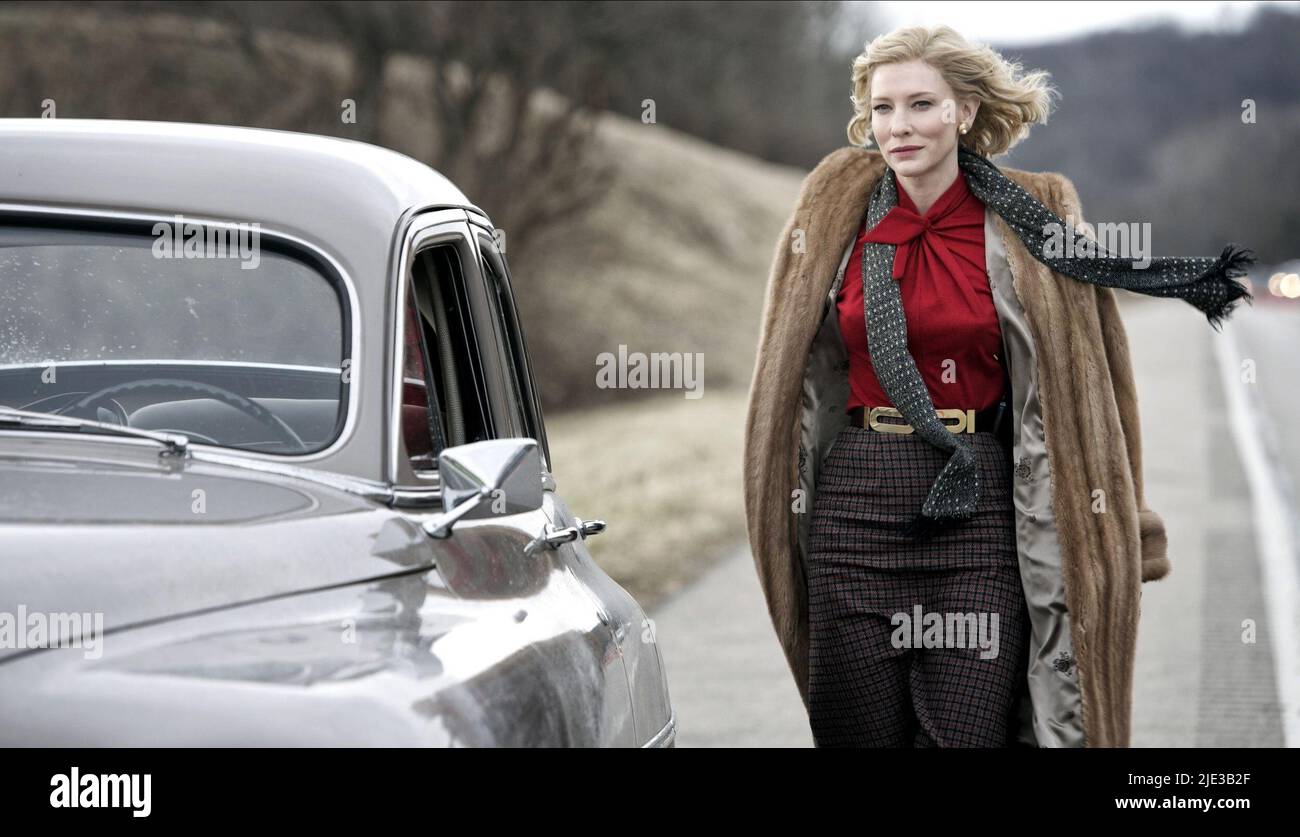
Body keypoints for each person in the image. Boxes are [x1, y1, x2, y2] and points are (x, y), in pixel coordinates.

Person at [742, 24, 1254, 747]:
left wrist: (1123, 517)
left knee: (971, 732)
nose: (900, 126)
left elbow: (1099, 381)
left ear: (965, 112)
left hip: (978, 511)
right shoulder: (834, 212)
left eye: (921, 104)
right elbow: (786, 370)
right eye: (882, 108)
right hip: (855, 506)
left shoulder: (1030, 220)